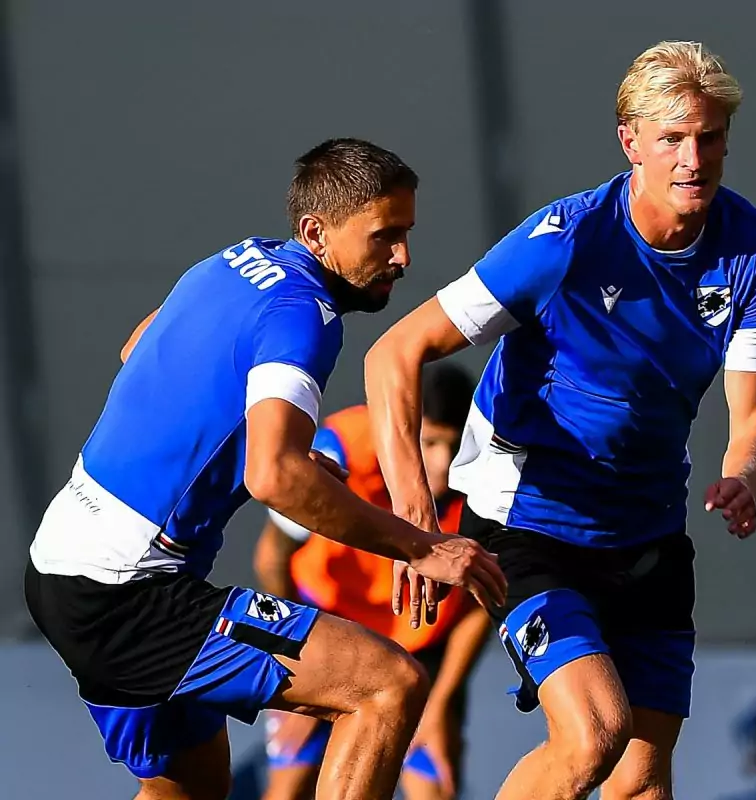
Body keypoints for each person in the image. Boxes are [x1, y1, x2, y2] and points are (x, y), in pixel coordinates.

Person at [364, 40, 756, 800]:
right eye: (672, 139)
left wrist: (744, 476)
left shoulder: (755, 251)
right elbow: (395, 352)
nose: (693, 160)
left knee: (642, 782)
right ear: (630, 141)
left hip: (649, 532)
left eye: (710, 137)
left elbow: (753, 418)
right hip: (529, 528)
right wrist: (417, 526)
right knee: (594, 731)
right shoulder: (565, 241)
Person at [24, 138, 505, 800]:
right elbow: (274, 478)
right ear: (316, 231)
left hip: (63, 562)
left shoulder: (230, 263)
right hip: (129, 592)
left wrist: (270, 445)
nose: (403, 257)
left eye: (406, 233)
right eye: (384, 236)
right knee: (388, 686)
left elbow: (140, 348)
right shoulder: (304, 313)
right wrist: (422, 547)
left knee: (192, 790)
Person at [254, 362, 489, 800]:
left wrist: (440, 703)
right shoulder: (342, 447)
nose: (442, 464)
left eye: (453, 445)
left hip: (420, 644)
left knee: (435, 786)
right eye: (429, 442)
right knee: (288, 786)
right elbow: (272, 556)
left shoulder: (486, 469)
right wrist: (293, 658)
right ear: (401, 432)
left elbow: (481, 602)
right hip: (325, 626)